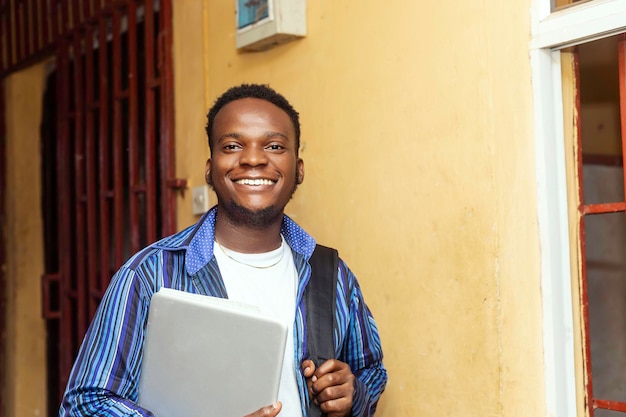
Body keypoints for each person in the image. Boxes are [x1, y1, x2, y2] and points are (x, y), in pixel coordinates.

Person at [59, 83, 387, 417]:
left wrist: (352, 392)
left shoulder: (331, 275)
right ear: (210, 168)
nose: (254, 159)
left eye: (274, 146)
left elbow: (371, 371)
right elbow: (86, 404)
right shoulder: (150, 274)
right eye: (232, 145)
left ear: (298, 169)